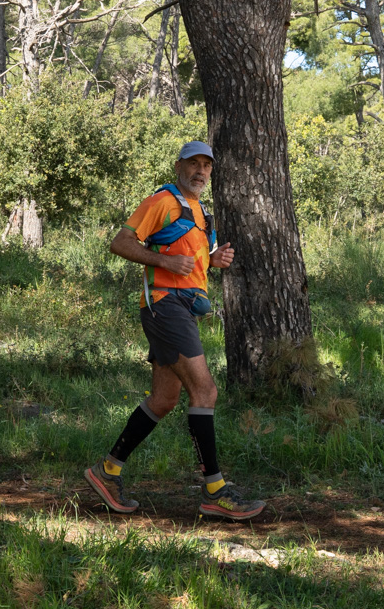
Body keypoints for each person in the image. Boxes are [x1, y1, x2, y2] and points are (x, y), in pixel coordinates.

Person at [84, 141, 265, 521]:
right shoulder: (161, 202)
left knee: (164, 399)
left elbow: (190, 260)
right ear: (178, 166)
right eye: (193, 164)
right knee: (205, 391)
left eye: (206, 166)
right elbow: (120, 243)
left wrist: (213, 260)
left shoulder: (201, 212)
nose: (200, 171)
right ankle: (215, 491)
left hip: (181, 307)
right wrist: (164, 261)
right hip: (164, 305)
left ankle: (107, 471)